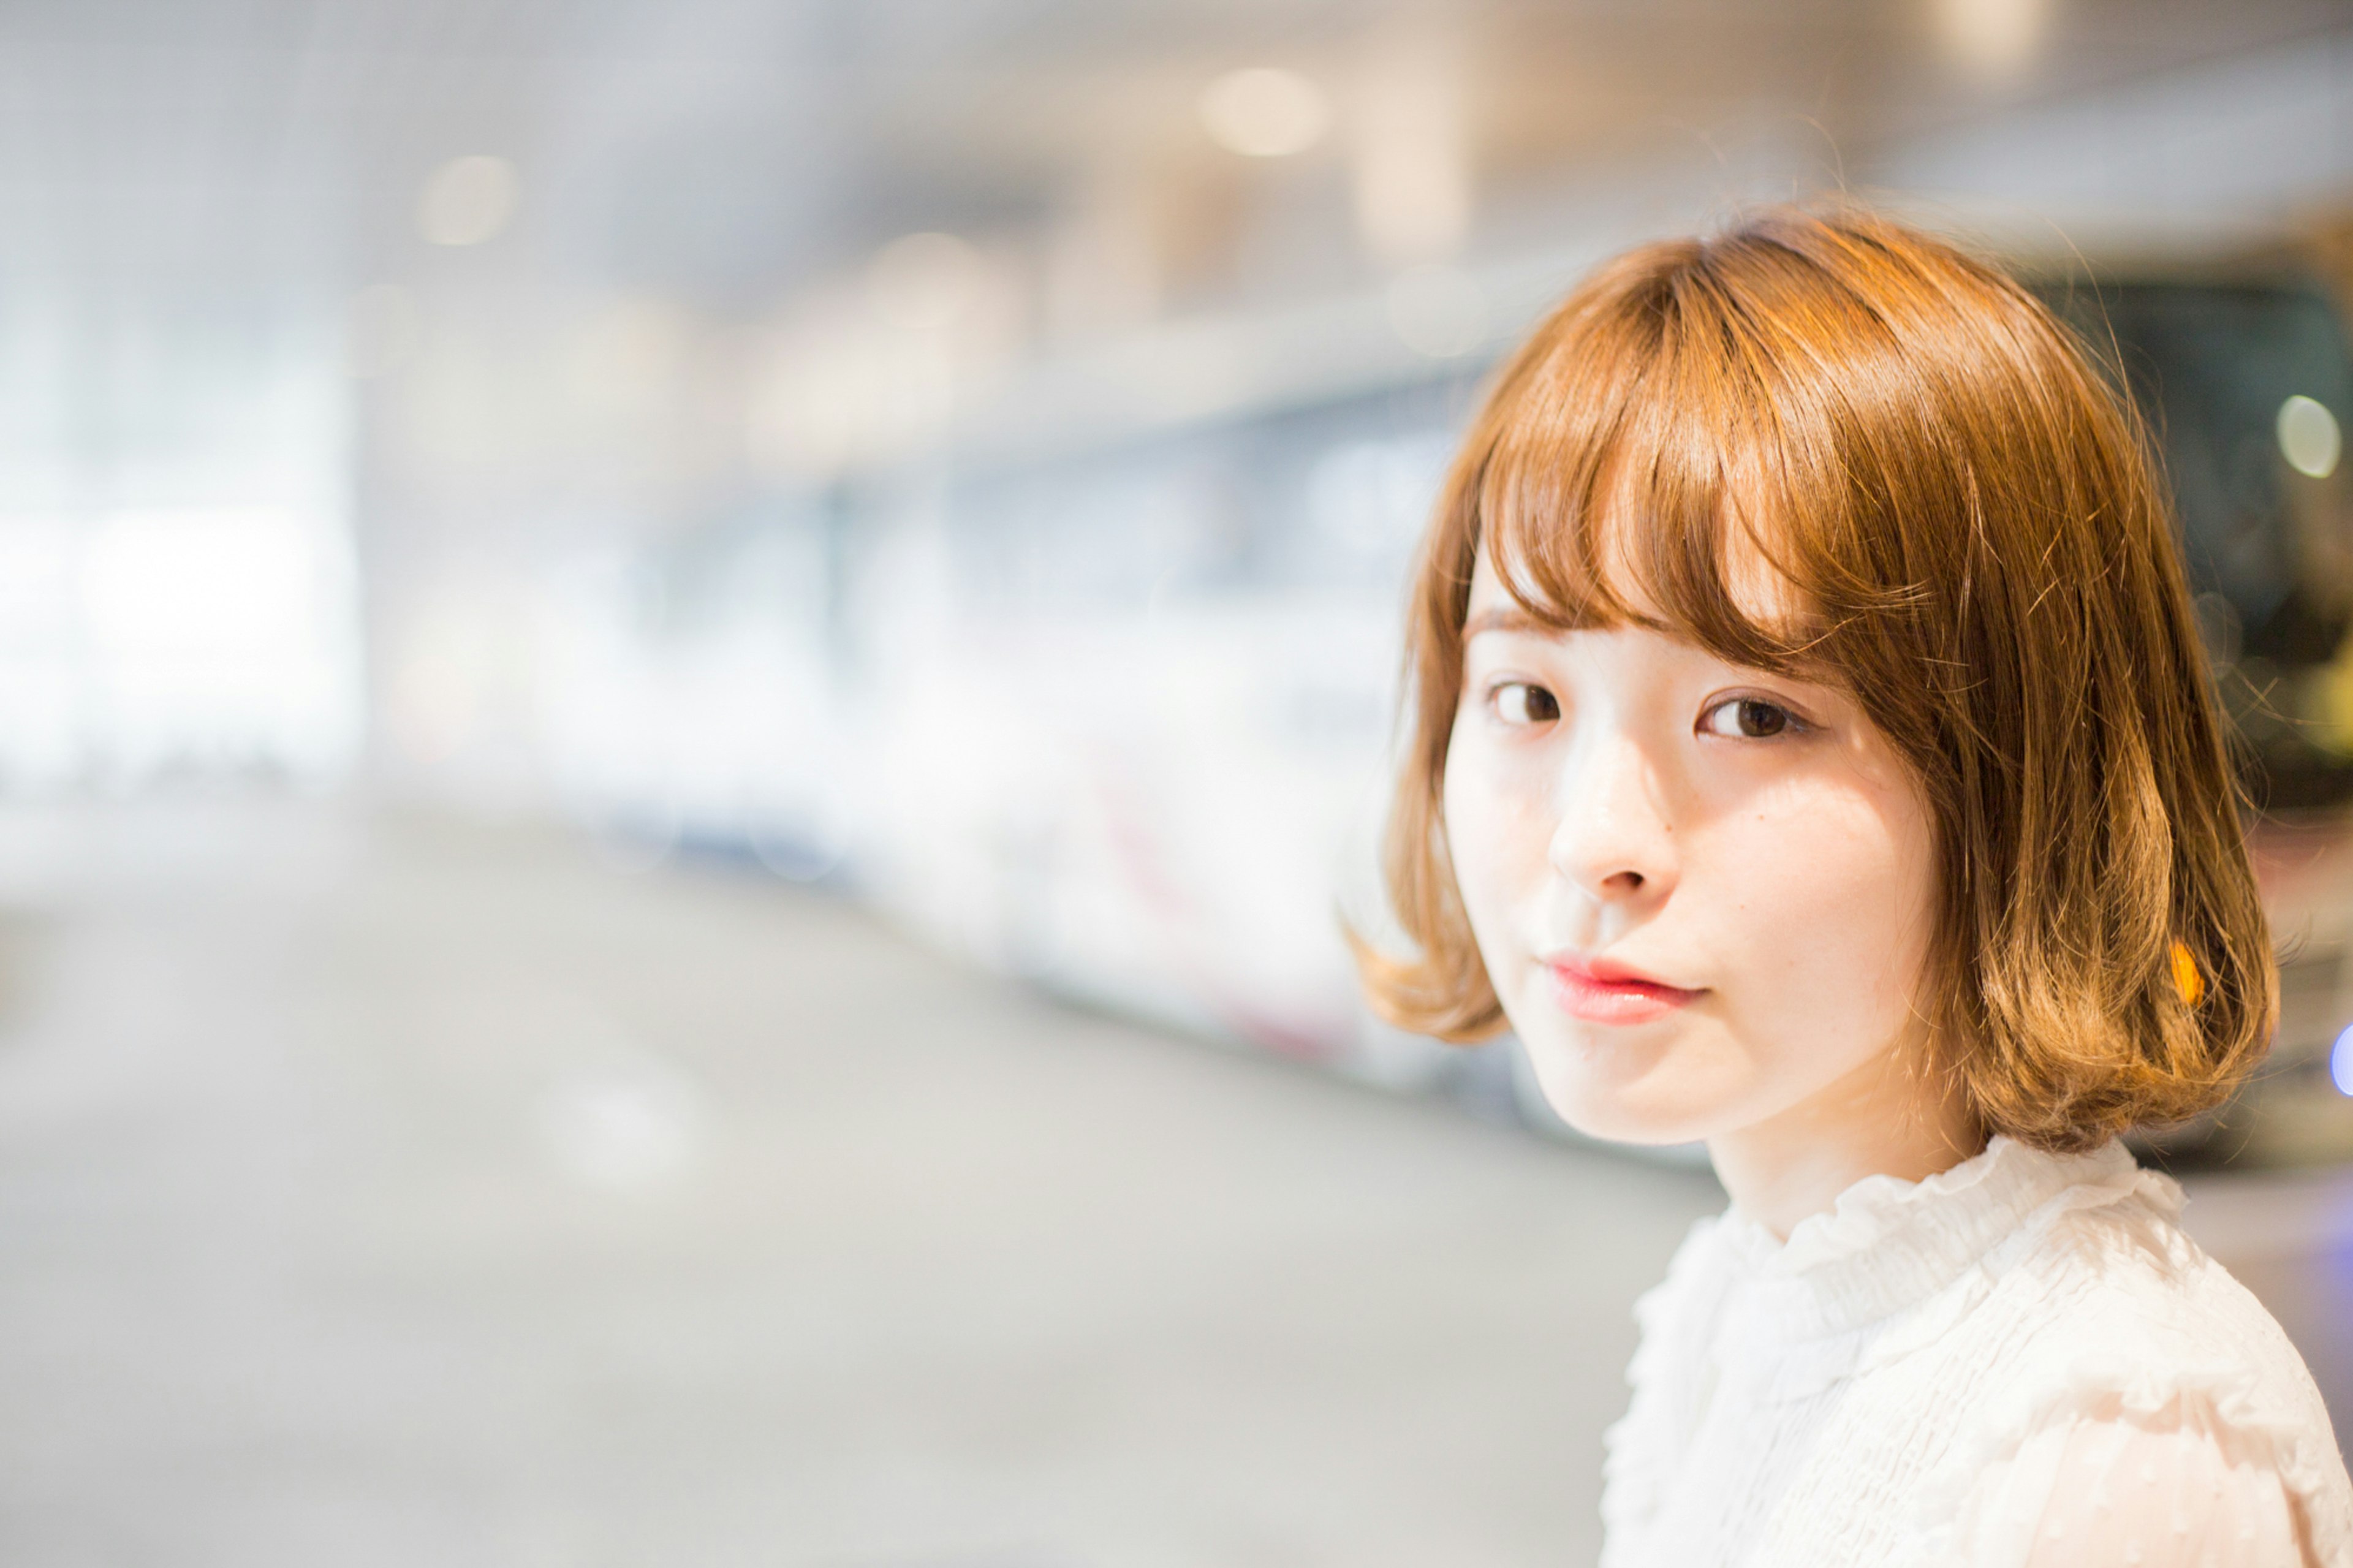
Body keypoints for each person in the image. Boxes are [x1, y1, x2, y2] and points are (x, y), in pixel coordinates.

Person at [1354, 207, 2353, 1566]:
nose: (1596, 839)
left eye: (1754, 715)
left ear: (2023, 768)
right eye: (1528, 694)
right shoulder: (1758, 1286)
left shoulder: (2101, 1446)